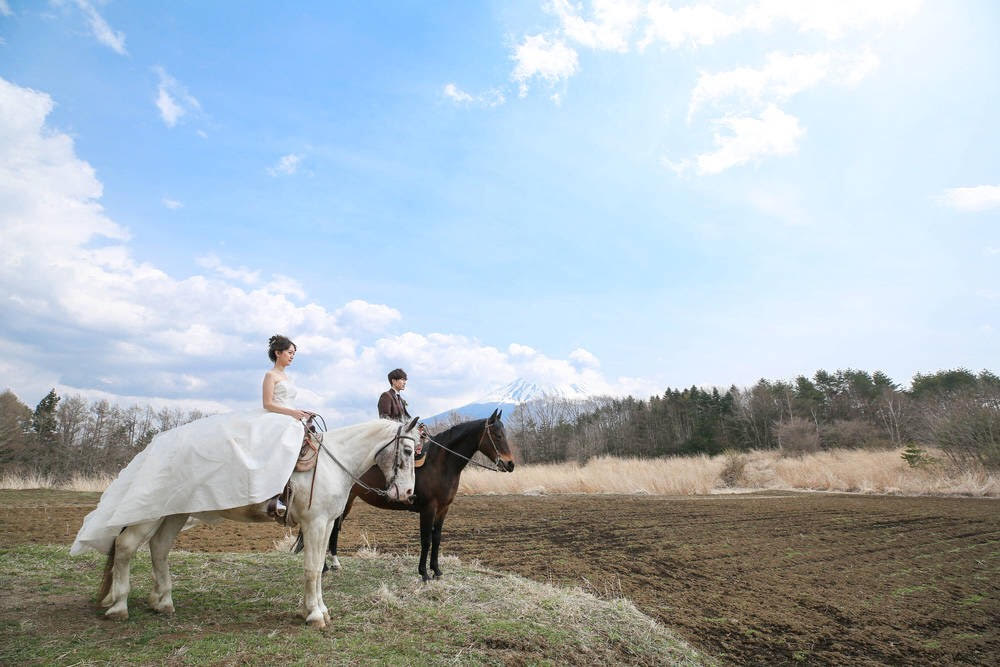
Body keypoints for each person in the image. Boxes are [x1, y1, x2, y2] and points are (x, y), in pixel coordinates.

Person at [71, 335, 311, 555]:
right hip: (275, 419)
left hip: (289, 419)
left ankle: (288, 492)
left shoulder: (288, 378)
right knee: (264, 450)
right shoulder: (271, 376)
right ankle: (266, 496)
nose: (292, 356)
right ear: (278, 353)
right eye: (289, 352)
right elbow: (268, 403)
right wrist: (293, 412)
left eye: (293, 354)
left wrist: (299, 413)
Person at [377, 368, 425, 455]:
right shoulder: (386, 396)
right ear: (394, 381)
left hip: (401, 434)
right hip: (392, 438)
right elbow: (384, 420)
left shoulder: (401, 399)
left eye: (405, 380)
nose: (405, 382)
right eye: (402, 379)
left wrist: (417, 428)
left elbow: (407, 418)